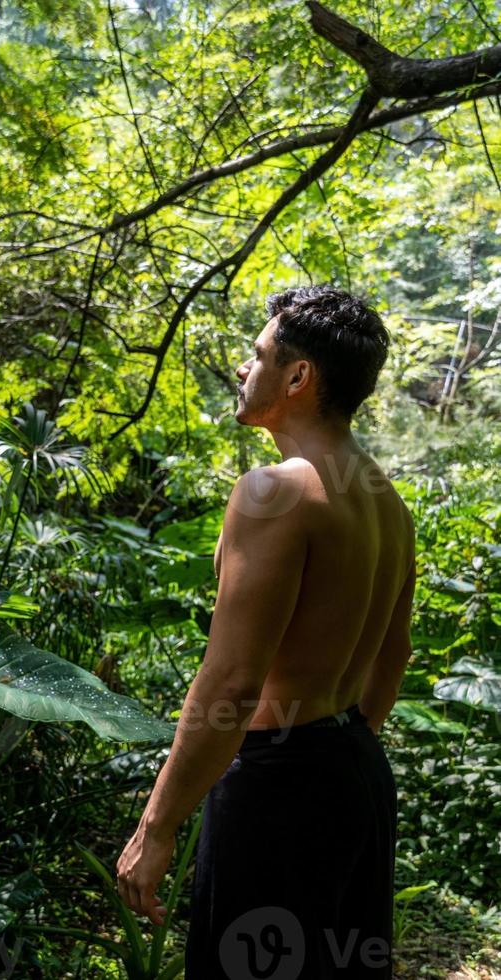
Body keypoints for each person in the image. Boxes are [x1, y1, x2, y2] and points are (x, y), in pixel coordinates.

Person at [116, 284, 416, 979]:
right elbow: (392, 656)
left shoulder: (276, 490)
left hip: (278, 787)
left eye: (257, 355)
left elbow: (234, 679)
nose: (244, 370)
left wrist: (155, 829)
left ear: (299, 377)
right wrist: (339, 753)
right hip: (356, 775)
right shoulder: (386, 502)